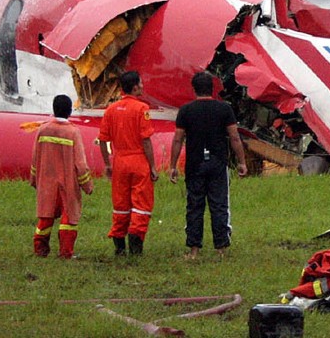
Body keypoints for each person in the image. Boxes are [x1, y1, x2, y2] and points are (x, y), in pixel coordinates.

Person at [168, 72, 248, 259]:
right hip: (218, 163)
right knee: (219, 204)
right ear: (212, 88)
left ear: (193, 89)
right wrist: (242, 162)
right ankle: (221, 248)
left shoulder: (186, 111)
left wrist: (172, 165)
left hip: (194, 164)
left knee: (194, 205)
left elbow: (178, 139)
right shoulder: (224, 109)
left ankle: (194, 250)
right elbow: (235, 137)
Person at [98, 71, 158, 256]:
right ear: (134, 87)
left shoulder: (111, 109)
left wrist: (107, 164)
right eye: (140, 83)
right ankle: (136, 244)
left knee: (120, 204)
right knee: (141, 203)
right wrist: (153, 167)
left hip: (120, 162)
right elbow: (146, 141)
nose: (142, 86)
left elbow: (102, 140)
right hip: (138, 161)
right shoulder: (142, 109)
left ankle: (119, 246)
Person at [30, 94, 94, 259]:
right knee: (68, 217)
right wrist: (87, 186)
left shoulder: (43, 130)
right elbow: (80, 164)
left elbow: (35, 157)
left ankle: (40, 250)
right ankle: (66, 252)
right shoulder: (72, 132)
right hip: (67, 183)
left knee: (46, 216)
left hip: (46, 182)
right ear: (70, 111)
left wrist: (34, 180)